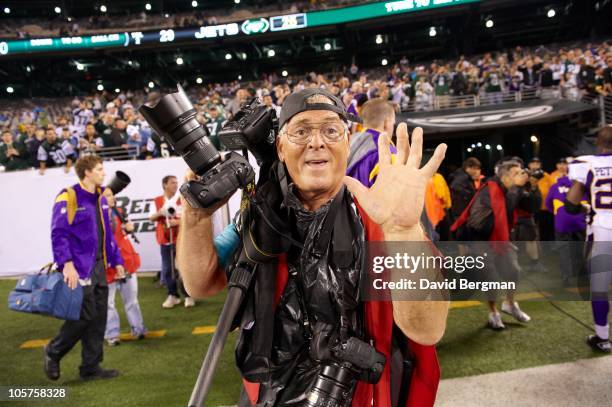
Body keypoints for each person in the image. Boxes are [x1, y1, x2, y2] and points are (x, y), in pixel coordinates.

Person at [177, 88, 449, 406]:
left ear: (347, 142)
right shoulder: (262, 215)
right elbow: (198, 284)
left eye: (331, 130)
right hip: (268, 396)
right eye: (301, 130)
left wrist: (403, 232)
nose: (316, 142)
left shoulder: (380, 218)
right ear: (280, 146)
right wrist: (196, 216)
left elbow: (427, 330)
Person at [44, 155, 123, 381]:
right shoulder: (68, 195)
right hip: (78, 268)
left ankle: (90, 368)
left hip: (100, 267)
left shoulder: (101, 198)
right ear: (87, 172)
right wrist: (66, 264)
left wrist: (116, 261)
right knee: (84, 316)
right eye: (99, 169)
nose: (103, 173)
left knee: (99, 318)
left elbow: (107, 235)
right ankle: (53, 351)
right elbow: (59, 233)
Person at [451, 159, 532, 330]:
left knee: (514, 271)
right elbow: (480, 224)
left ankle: (509, 304)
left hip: (499, 238)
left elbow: (532, 206)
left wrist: (533, 187)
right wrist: (518, 189)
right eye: (516, 173)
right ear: (505, 176)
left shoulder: (509, 189)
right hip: (482, 239)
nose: (521, 176)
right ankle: (493, 312)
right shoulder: (490, 190)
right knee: (492, 278)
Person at [565, 126, 612, 352]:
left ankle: (602, 337)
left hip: (602, 230)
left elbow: (571, 205)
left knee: (600, 287)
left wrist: (587, 206)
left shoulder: (587, 164)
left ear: (598, 143)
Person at [102, 188, 147, 346]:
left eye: (111, 194)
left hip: (126, 260)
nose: (112, 197)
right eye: (107, 195)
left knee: (131, 299)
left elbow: (126, 231)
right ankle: (112, 334)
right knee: (108, 303)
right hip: (107, 265)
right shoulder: (95, 216)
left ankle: (139, 329)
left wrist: (129, 228)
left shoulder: (119, 211)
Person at [148, 175, 194, 308]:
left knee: (184, 269)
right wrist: (160, 213)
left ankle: (188, 295)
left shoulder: (182, 200)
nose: (175, 185)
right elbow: (151, 217)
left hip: (181, 239)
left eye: (176, 182)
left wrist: (177, 222)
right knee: (168, 270)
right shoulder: (157, 200)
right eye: (172, 183)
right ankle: (172, 295)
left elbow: (190, 218)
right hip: (165, 240)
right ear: (165, 185)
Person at [545, 167, 587, 287]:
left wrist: (558, 214)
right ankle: (581, 275)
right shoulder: (582, 186)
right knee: (580, 248)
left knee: (564, 250)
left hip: (562, 222)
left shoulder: (555, 186)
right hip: (580, 220)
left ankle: (566, 278)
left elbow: (548, 203)